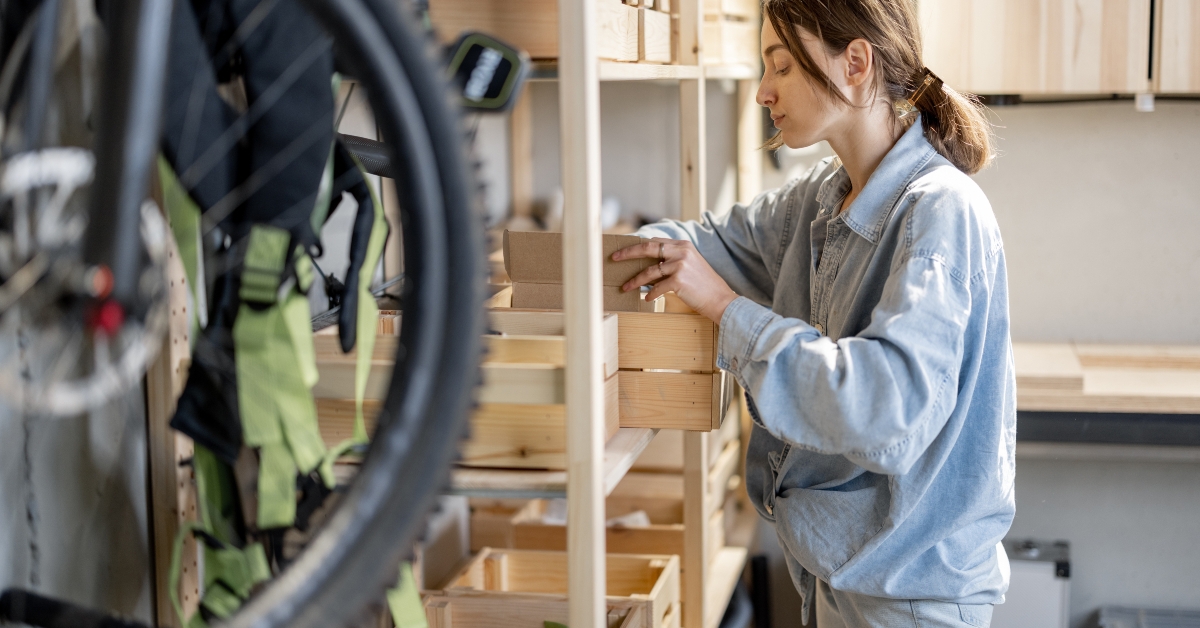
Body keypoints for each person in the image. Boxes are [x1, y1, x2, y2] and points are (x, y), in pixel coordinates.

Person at [614, 1, 1015, 626]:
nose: (763, 93)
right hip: (841, 577)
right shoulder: (821, 199)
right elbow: (700, 244)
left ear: (855, 63)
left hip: (909, 602)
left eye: (781, 66)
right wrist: (614, 255)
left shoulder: (941, 212)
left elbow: (885, 409)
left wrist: (724, 309)